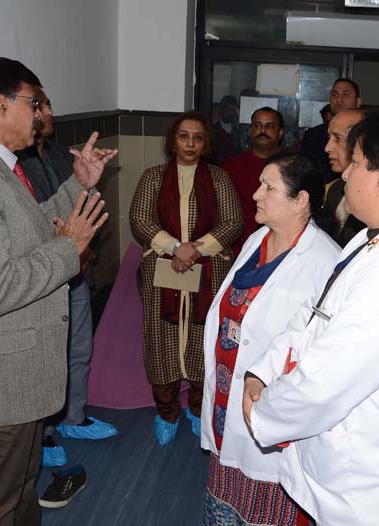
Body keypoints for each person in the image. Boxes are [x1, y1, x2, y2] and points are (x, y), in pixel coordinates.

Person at [242, 105, 379, 525]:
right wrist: (264, 370)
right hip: (339, 467)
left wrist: (261, 412)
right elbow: (315, 313)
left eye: (355, 163)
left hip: (370, 492)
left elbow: (325, 382)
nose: (343, 174)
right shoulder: (372, 239)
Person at [0, 55, 114, 525]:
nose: (42, 113)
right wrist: (69, 251)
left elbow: (31, 230)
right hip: (0, 385)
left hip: (21, 376)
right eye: (34, 102)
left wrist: (78, 184)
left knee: (19, 494)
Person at [200, 153, 340, 525]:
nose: (256, 194)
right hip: (230, 399)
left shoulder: (324, 261)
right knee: (225, 495)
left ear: (301, 200)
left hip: (272, 410)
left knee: (266, 506)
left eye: (269, 187)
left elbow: (320, 352)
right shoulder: (258, 239)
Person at [17, 89, 118, 473]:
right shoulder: (13, 166)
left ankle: (73, 418)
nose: (47, 112)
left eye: (47, 104)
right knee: (45, 356)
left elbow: (85, 207)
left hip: (76, 267)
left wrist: (85, 251)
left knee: (78, 346)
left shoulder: (63, 157)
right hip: (41, 275)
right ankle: (42, 433)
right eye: (37, 105)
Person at [129, 111, 242, 446]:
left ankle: (196, 408)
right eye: (183, 136)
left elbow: (233, 222)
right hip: (162, 269)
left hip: (208, 270)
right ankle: (166, 412)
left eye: (197, 137)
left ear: (205, 142)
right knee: (160, 338)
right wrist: (176, 247)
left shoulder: (220, 179)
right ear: (172, 140)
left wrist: (196, 250)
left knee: (201, 337)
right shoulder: (153, 177)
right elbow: (139, 219)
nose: (190, 143)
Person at [223, 107, 285, 257]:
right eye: (257, 125)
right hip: (239, 249)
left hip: (282, 247)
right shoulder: (231, 167)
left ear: (280, 132)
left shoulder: (292, 165)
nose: (262, 130)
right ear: (250, 130)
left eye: (269, 126)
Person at [301, 78, 362, 184]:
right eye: (334, 95)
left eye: (346, 94)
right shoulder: (313, 136)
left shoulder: (366, 133)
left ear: (358, 102)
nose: (339, 99)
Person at [322, 108, 366, 246]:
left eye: (337, 138)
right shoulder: (334, 189)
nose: (327, 148)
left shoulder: (374, 197)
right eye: (329, 138)